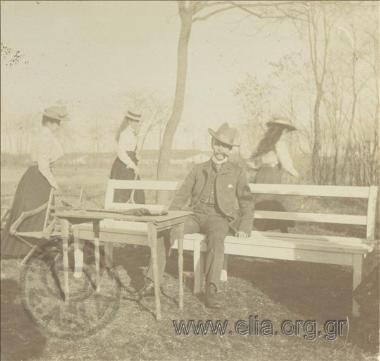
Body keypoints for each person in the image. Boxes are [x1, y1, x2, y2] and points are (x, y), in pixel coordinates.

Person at [139, 123, 254, 309]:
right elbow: (183, 194)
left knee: (216, 240)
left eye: (225, 146)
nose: (221, 149)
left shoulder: (237, 172)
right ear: (212, 143)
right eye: (218, 144)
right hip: (195, 215)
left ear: (230, 150)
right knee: (165, 231)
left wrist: (244, 227)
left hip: (219, 218)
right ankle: (152, 282)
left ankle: (211, 290)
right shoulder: (198, 169)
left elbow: (247, 201)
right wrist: (170, 217)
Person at [1, 105, 69, 257]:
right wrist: (54, 183)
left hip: (37, 177)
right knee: (35, 211)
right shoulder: (45, 137)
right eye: (57, 122)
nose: (59, 126)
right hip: (38, 178)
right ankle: (22, 248)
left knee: (38, 211)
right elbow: (43, 165)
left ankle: (30, 247)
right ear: (50, 122)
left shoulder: (45, 135)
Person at [247, 116, 299, 233]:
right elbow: (286, 162)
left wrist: (260, 167)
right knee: (271, 201)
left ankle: (264, 228)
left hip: (261, 175)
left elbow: (251, 163)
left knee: (263, 200)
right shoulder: (279, 143)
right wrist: (295, 173)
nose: (286, 133)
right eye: (285, 130)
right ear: (280, 130)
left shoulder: (265, 143)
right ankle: (270, 230)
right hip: (272, 176)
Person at [110, 110, 145, 204]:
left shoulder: (134, 133)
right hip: (123, 167)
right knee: (123, 193)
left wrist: (136, 154)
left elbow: (132, 148)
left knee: (136, 192)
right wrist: (133, 165)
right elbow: (121, 153)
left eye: (138, 121)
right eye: (135, 121)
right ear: (129, 121)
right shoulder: (125, 133)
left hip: (131, 164)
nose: (137, 123)